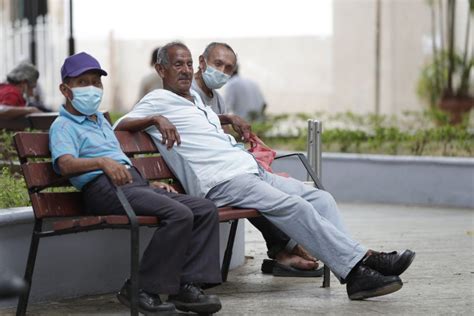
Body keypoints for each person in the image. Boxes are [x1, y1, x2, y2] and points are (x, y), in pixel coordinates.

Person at [115, 41, 416, 301]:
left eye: (188, 63)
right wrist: (154, 119)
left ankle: (358, 266)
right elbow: (118, 126)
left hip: (248, 170)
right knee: (293, 207)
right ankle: (358, 267)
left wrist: (227, 117)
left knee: (320, 199)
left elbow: (201, 123)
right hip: (222, 181)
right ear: (162, 70)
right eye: (177, 64)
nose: (184, 69)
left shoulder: (194, 101)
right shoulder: (156, 100)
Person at [49, 52, 222, 314]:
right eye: (83, 83)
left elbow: (121, 163)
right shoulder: (63, 126)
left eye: (96, 82)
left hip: (130, 185)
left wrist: (150, 185)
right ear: (65, 89)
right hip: (102, 189)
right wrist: (101, 163)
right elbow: (65, 164)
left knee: (205, 208)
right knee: (178, 214)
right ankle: (139, 289)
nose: (92, 89)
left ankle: (187, 287)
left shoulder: (100, 122)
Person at [191, 42, 321, 276]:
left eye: (228, 68)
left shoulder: (217, 97)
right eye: (217, 64)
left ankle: (286, 247)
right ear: (202, 62)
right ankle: (286, 249)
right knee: (256, 192)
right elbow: (196, 125)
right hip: (205, 176)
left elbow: (219, 138)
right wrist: (229, 118)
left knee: (259, 188)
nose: (222, 72)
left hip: (223, 170)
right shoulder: (186, 92)